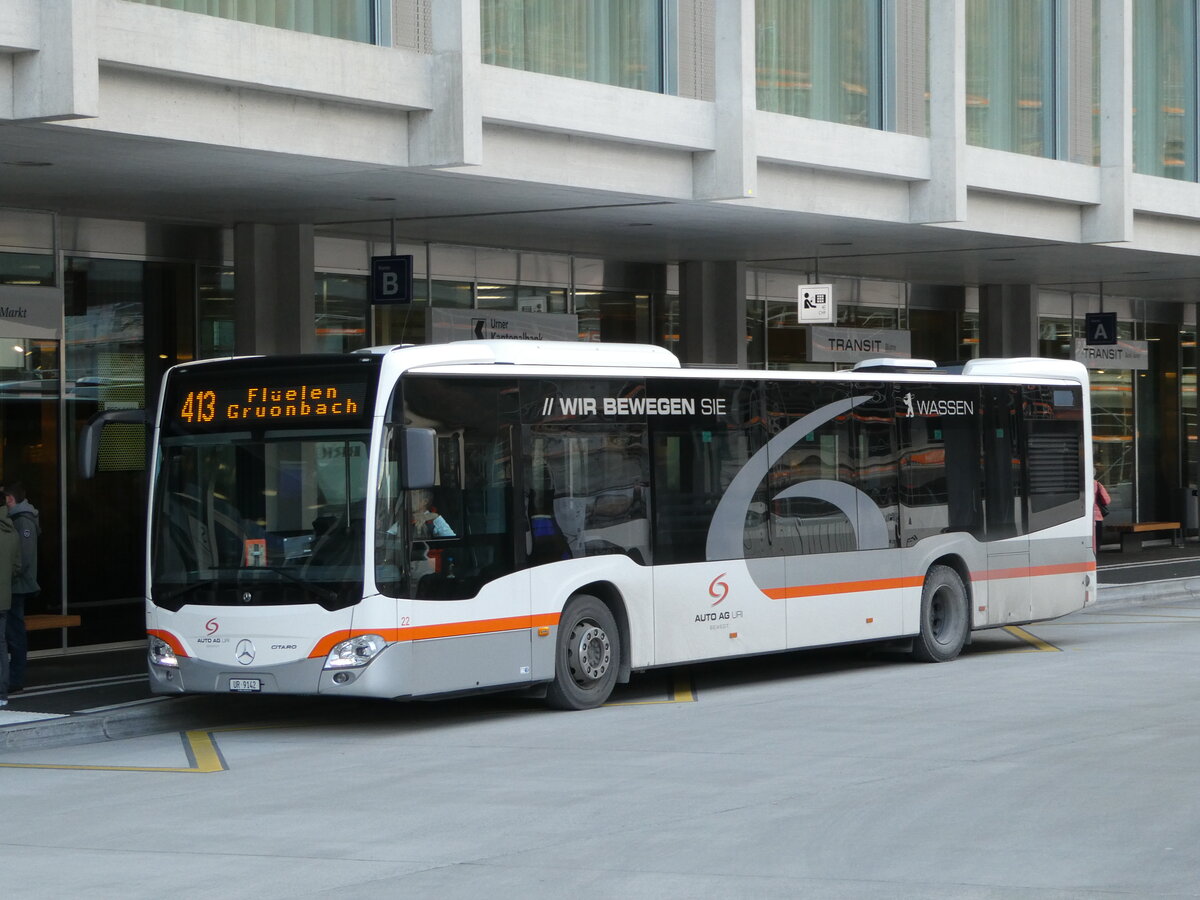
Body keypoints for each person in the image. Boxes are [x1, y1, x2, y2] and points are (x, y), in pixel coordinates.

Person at [3, 481, 39, 694]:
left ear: (9, 499)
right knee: (12, 632)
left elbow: (22, 559)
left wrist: (9, 574)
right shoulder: (19, 519)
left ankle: (16, 677)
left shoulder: (22, 521)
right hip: (15, 585)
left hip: (17, 586)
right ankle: (13, 676)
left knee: (14, 633)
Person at [0, 502, 19, 708]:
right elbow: (17, 566)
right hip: (4, 599)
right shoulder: (12, 532)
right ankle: (2, 693)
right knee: (1, 646)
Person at [1093, 468, 1111, 554]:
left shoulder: (1081, 485)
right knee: (1097, 539)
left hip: (1083, 517)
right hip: (1097, 517)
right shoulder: (1097, 484)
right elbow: (1107, 500)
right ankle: (1095, 554)